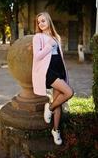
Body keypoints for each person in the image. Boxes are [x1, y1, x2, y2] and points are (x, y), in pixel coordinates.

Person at [32, 12, 74, 145]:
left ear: (49, 20)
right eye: (39, 22)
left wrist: (64, 71)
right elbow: (37, 56)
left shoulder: (56, 37)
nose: (41, 24)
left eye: (43, 20)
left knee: (58, 102)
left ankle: (56, 130)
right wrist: (49, 46)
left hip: (59, 68)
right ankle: (49, 108)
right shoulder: (38, 37)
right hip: (48, 70)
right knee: (69, 92)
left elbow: (60, 56)